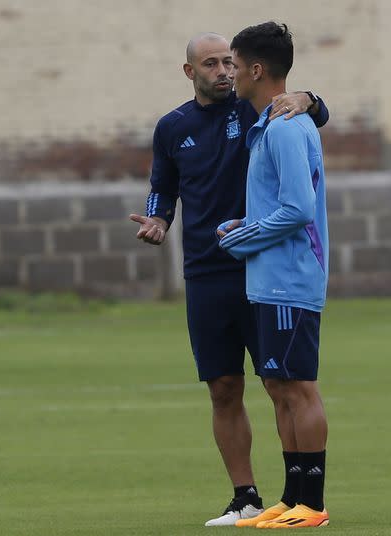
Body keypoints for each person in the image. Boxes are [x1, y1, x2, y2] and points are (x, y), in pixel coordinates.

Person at [128, 31, 329, 527]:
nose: (223, 71)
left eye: (229, 62)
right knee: (222, 386)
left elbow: (312, 117)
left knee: (281, 383)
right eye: (212, 63)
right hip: (206, 271)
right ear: (190, 71)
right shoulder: (173, 127)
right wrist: (158, 220)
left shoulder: (262, 113)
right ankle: (246, 496)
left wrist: (310, 99)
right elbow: (162, 187)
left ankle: (303, 498)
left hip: (260, 266)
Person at [217, 21, 330, 528]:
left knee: (299, 388)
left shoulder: (285, 127)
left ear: (257, 69)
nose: (231, 76)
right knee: (277, 387)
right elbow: (278, 205)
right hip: (269, 277)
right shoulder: (269, 123)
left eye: (236, 67)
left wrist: (243, 237)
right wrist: (246, 223)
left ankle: (314, 503)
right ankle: (291, 496)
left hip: (290, 278)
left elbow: (299, 210)